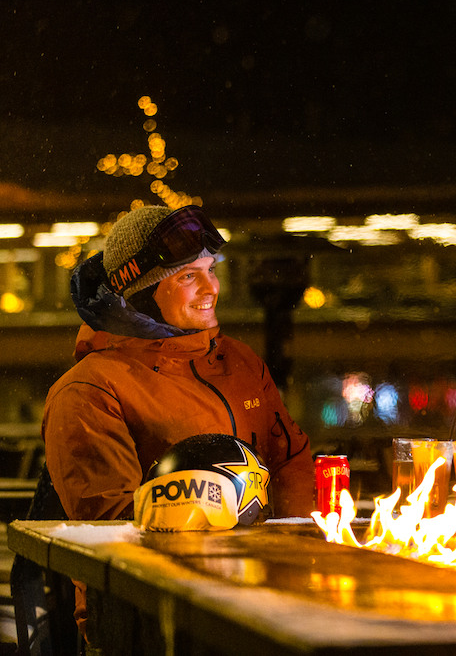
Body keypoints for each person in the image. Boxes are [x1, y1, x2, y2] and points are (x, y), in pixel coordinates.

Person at [41, 204, 315, 636]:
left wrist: (302, 563)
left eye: (211, 269)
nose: (211, 288)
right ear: (141, 292)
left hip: (260, 601)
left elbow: (292, 462)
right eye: (188, 276)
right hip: (146, 620)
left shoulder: (238, 361)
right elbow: (115, 532)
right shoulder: (91, 390)